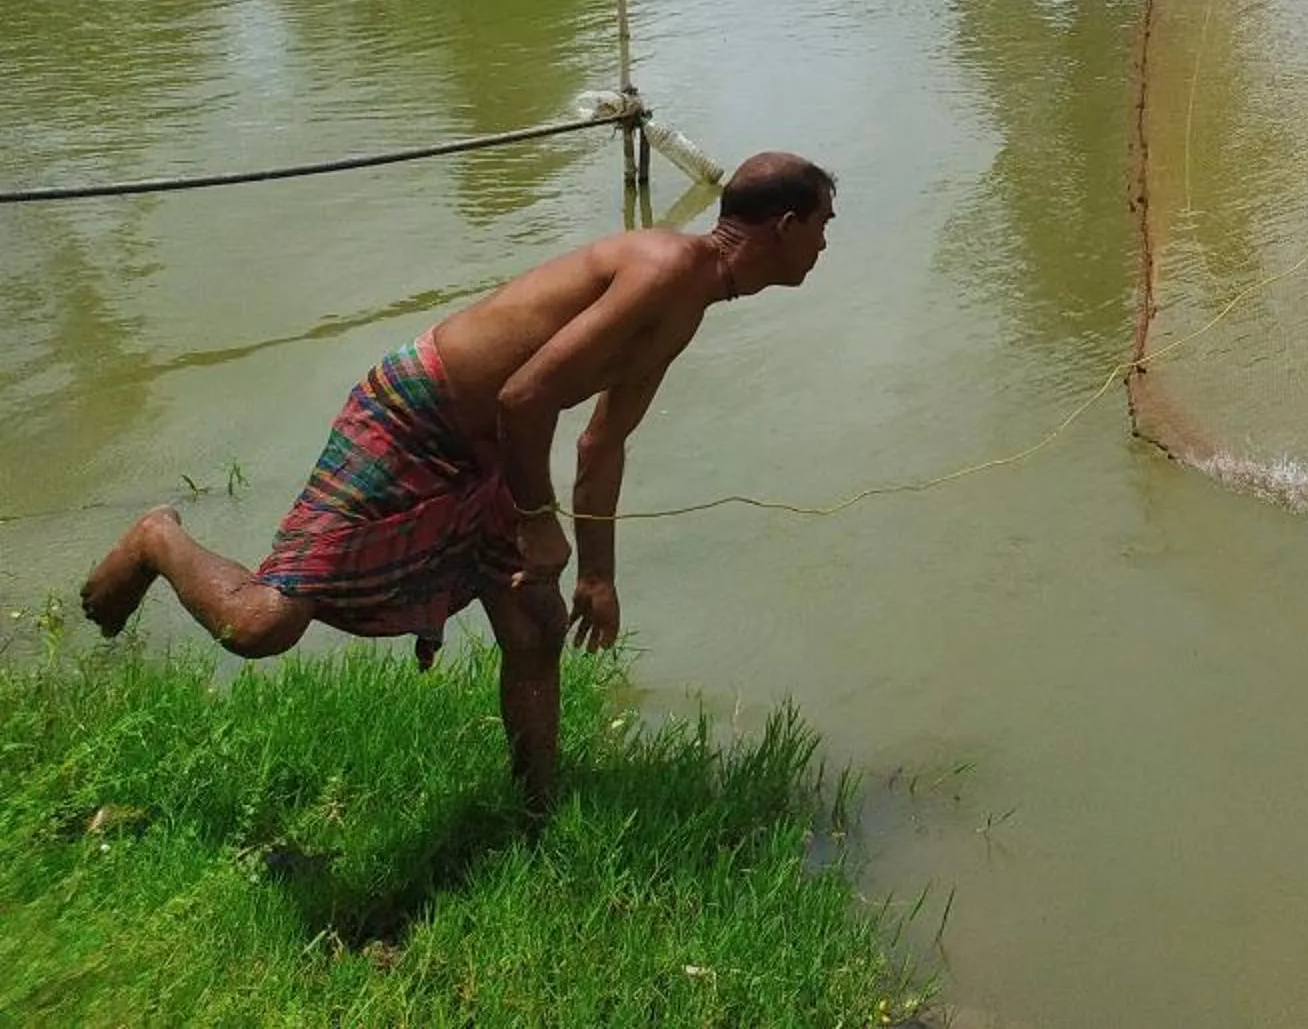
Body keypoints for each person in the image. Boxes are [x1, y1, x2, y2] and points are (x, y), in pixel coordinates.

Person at [80, 151, 838, 814]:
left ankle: (537, 815)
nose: (826, 243)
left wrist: (599, 577)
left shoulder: (690, 300)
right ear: (785, 225)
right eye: (823, 224)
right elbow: (526, 396)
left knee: (537, 630)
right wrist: (540, 521)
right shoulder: (668, 267)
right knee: (262, 625)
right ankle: (158, 537)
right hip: (413, 414)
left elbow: (603, 442)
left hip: (496, 448)